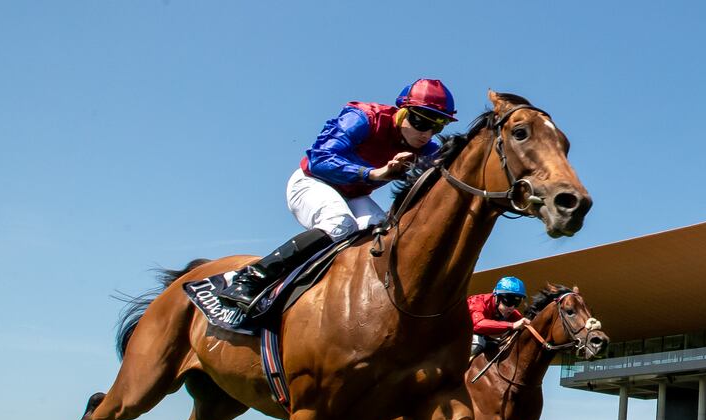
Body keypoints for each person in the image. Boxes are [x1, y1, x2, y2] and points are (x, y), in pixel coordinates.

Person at [220, 79, 458, 310]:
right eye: (420, 122)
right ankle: (249, 279)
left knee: (384, 235)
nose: (426, 134)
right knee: (340, 224)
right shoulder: (364, 118)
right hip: (312, 182)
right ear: (403, 111)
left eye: (436, 127)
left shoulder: (427, 150)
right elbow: (319, 160)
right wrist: (375, 174)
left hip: (353, 196)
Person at [467, 276, 528, 356]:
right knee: (478, 343)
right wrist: (512, 325)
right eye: (509, 301)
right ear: (496, 296)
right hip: (452, 335)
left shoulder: (513, 313)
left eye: (517, 302)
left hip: (478, 336)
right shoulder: (476, 302)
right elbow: (478, 325)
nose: (512, 307)